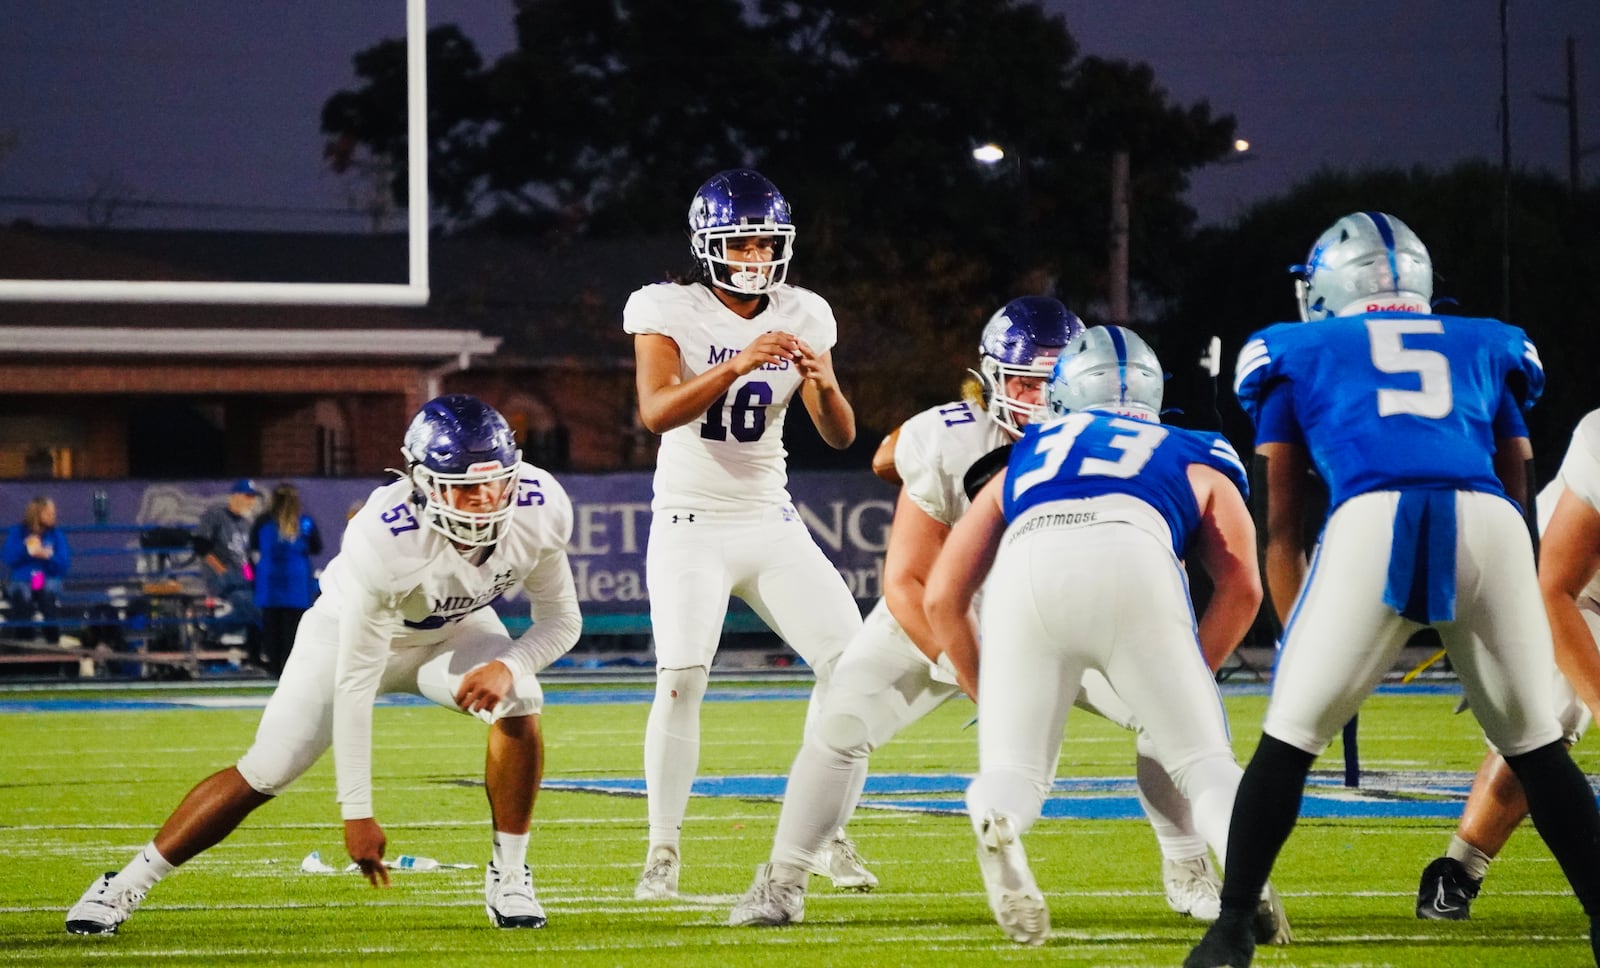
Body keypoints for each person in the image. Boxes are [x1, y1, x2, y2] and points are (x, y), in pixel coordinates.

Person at [728, 300, 1236, 927]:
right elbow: (913, 581)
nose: (1039, 397)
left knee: (1164, 722)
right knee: (840, 723)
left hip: (1063, 601)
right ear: (991, 379)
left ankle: (1188, 868)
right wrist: (971, 674)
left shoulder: (1117, 439)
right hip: (955, 606)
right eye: (1025, 380)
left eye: (1054, 381)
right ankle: (783, 879)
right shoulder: (949, 436)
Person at [1185, 212, 1600, 968]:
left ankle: (1233, 924)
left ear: (1331, 287)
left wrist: (1293, 631)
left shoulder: (1296, 350)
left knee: (1288, 741)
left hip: (1373, 516)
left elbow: (1281, 521)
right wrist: (1508, 595)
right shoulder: (1486, 341)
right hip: (1491, 522)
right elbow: (1518, 472)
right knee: (1537, 747)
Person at [65, 395, 582, 935]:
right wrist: (356, 811)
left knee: (521, 698)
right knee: (266, 770)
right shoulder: (383, 536)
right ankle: (123, 883)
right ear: (423, 483)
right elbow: (356, 682)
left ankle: (510, 873)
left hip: (456, 630)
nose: (483, 501)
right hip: (348, 639)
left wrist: (509, 664)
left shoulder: (540, 505)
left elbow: (562, 622)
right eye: (465, 488)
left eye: (495, 482)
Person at [920, 325, 1281, 946]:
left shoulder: (1029, 450)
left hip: (1026, 570)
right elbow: (1243, 585)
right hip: (1132, 558)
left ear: (1064, 393)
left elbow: (942, 594)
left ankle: (995, 812)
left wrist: (985, 685)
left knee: (1016, 775)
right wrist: (1193, 666)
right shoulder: (1192, 447)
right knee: (1203, 765)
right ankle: (1248, 892)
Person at [624, 168, 867, 899]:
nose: (757, 253)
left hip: (771, 519)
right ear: (709, 246)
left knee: (851, 671)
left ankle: (825, 836)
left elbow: (841, 433)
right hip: (691, 523)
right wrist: (740, 361)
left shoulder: (807, 311)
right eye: (742, 240)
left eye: (767, 240)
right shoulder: (667, 308)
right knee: (682, 679)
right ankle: (662, 850)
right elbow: (657, 411)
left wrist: (822, 382)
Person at [1414, 407, 1600, 920]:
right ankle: (1458, 871)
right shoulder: (1599, 440)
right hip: (1579, 587)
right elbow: (1555, 588)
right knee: (1544, 726)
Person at [249, 482, 324, 678]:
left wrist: (251, 577)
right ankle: (292, 669)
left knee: (272, 626)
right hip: (296, 580)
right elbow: (317, 547)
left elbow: (253, 547)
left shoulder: (262, 521)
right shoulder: (305, 523)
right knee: (294, 627)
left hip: (269, 579)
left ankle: (274, 668)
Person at [195, 479, 263, 657]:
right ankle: (211, 628)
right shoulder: (216, 515)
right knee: (252, 607)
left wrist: (251, 579)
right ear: (235, 496)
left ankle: (210, 630)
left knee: (258, 606)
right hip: (221, 577)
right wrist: (222, 571)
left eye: (253, 497)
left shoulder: (245, 524)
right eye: (248, 496)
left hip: (241, 579)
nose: (251, 501)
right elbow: (201, 546)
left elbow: (245, 558)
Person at [3, 495, 71, 644]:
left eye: (54, 513)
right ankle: (25, 642)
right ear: (37, 514)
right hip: (23, 578)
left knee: (45, 592)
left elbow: (64, 565)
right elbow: (8, 558)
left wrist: (48, 556)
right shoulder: (18, 532)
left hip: (44, 577)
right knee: (22, 594)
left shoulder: (56, 535)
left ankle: (53, 640)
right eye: (49, 513)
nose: (54, 516)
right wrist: (25, 549)